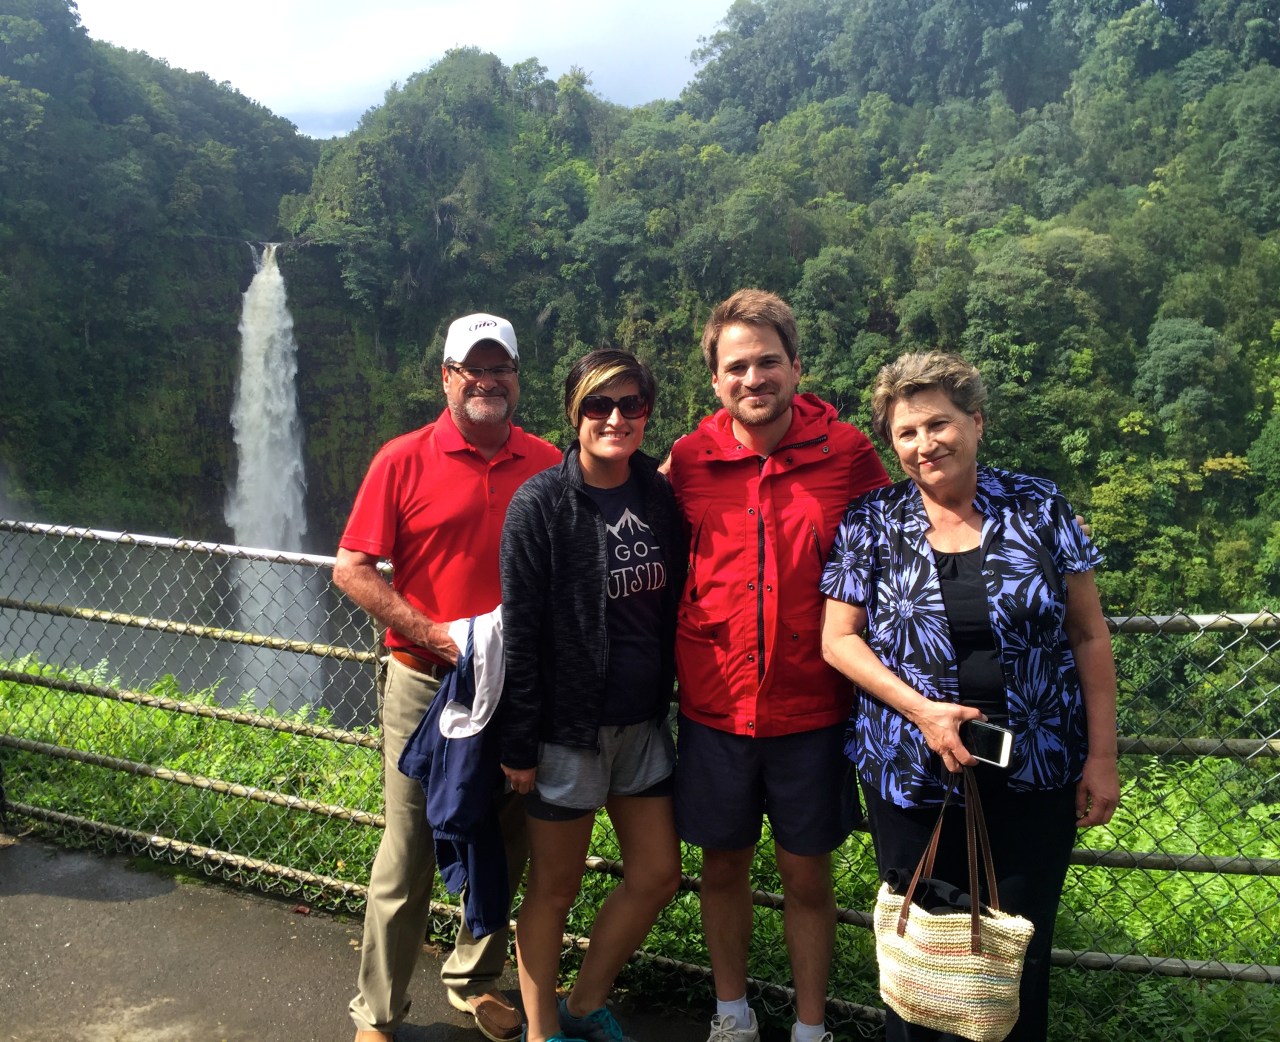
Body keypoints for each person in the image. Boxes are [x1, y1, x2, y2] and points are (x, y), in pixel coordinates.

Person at [818, 351, 1120, 1042]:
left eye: (939, 424)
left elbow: (1088, 636)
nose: (925, 445)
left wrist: (1103, 757)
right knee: (920, 952)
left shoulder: (1039, 506)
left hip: (1035, 772)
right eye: (906, 433)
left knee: (1016, 958)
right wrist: (924, 711)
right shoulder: (871, 522)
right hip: (912, 774)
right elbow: (839, 640)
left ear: (976, 422)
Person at [665, 289, 890, 1042]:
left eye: (767, 362)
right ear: (715, 380)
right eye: (737, 366)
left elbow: (907, 536)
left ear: (797, 367)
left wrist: (1015, 517)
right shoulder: (690, 460)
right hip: (714, 707)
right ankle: (731, 1012)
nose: (752, 378)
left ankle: (809, 1025)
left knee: (807, 876)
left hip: (813, 710)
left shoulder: (849, 454)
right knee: (721, 868)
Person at [334, 312, 561, 1042]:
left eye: (501, 369)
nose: (488, 381)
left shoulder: (549, 462)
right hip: (426, 683)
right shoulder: (402, 458)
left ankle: (473, 980)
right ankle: (377, 1011)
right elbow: (352, 568)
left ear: (517, 378)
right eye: (473, 368)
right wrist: (435, 633)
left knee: (508, 837)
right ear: (447, 376)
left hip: (519, 691)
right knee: (406, 853)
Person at [499, 349, 687, 1042]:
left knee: (658, 874)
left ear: (647, 412)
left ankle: (584, 1002)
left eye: (630, 404)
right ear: (574, 414)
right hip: (565, 730)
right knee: (554, 888)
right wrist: (519, 743)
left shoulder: (659, 495)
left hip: (641, 725)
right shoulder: (541, 504)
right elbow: (521, 632)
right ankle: (542, 1031)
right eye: (598, 406)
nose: (615, 418)